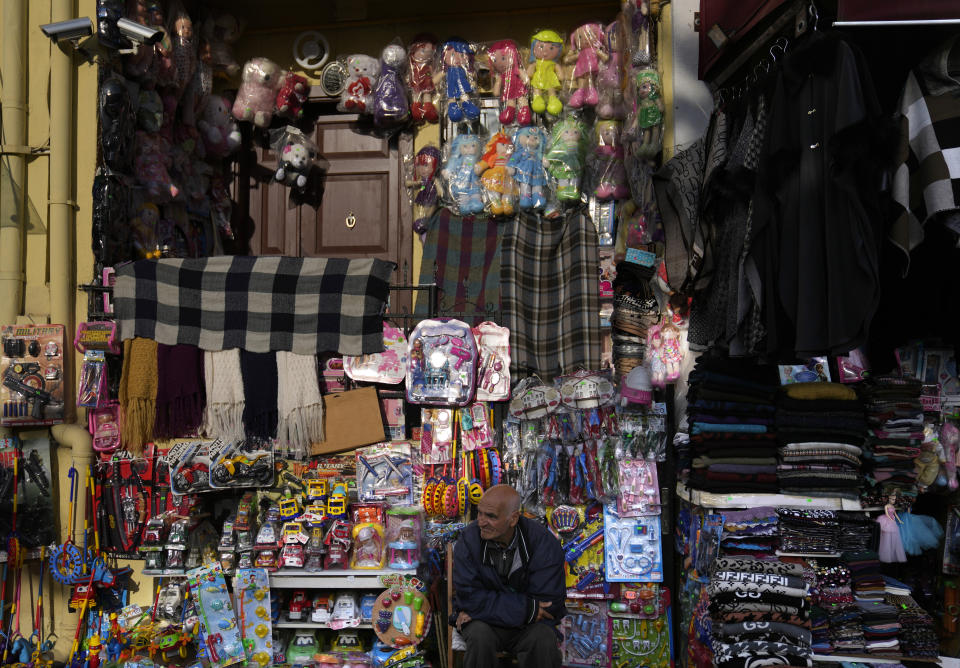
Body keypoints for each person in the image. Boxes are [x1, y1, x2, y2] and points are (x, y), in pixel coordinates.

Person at [450, 484, 565, 668]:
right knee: (479, 636)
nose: (481, 522)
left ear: (513, 519)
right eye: (479, 513)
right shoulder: (469, 540)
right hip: (487, 624)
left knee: (542, 638)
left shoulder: (543, 543)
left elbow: (549, 605)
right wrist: (527, 609)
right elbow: (468, 597)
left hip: (524, 627)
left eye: (491, 516)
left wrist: (484, 607)